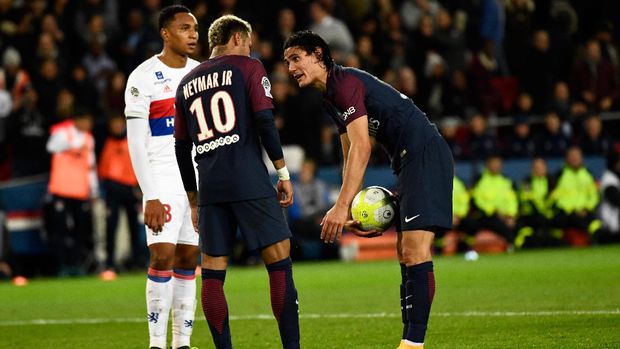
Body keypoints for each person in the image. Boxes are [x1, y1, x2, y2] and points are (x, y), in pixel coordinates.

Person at [284, 30, 454, 349]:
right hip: (406, 161)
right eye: (287, 62)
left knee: (416, 250)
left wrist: (339, 205)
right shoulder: (330, 96)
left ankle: (413, 343)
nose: (291, 68)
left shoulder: (345, 83)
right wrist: (350, 205)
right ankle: (410, 339)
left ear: (318, 54)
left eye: (296, 58)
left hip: (424, 155)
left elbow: (363, 147)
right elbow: (349, 149)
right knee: (404, 251)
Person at [174, 15, 300, 349]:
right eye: (248, 41)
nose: (250, 48)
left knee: (213, 272)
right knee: (279, 259)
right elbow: (264, 121)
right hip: (248, 179)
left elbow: (180, 147)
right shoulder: (248, 68)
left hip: (210, 187)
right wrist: (283, 173)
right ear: (234, 37)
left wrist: (192, 198)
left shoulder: (186, 82)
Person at [124, 5, 200, 349]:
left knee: (188, 258)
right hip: (162, 177)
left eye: (196, 28)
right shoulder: (142, 76)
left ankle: (182, 342)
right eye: (185, 28)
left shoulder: (201, 75)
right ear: (165, 34)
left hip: (196, 181)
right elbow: (136, 143)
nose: (194, 34)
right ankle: (156, 344)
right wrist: (150, 194)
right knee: (162, 256)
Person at [46, 109, 97, 276]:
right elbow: (51, 147)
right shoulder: (62, 133)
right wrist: (74, 145)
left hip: (80, 191)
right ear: (77, 120)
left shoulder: (89, 139)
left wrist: (94, 190)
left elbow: (91, 167)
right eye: (86, 120)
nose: (88, 124)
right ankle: (61, 265)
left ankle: (75, 265)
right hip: (61, 190)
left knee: (79, 230)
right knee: (60, 230)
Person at [97, 114, 143, 278]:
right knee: (111, 227)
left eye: (119, 123)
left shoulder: (132, 140)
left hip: (130, 189)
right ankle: (109, 262)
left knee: (134, 227)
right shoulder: (105, 142)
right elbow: (102, 168)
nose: (117, 126)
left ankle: (136, 261)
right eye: (114, 123)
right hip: (112, 190)